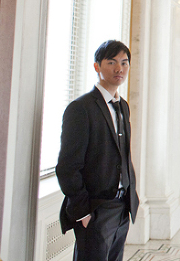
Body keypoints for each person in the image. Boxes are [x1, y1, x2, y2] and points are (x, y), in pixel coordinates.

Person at [57, 40, 139, 261]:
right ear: (96, 66)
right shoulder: (80, 108)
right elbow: (67, 166)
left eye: (124, 62)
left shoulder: (123, 106)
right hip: (96, 209)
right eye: (111, 62)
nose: (119, 68)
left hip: (122, 206)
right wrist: (83, 212)